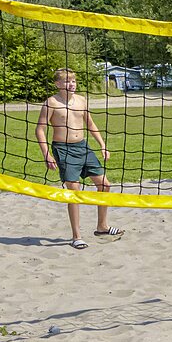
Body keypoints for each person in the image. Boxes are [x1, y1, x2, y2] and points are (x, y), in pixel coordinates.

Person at [34, 68, 124, 250]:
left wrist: (103, 145)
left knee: (105, 185)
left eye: (73, 81)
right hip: (63, 149)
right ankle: (77, 236)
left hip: (83, 147)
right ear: (57, 84)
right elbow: (40, 130)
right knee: (73, 192)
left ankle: (102, 227)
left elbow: (90, 124)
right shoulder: (51, 103)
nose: (71, 84)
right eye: (67, 82)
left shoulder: (81, 100)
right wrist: (46, 154)